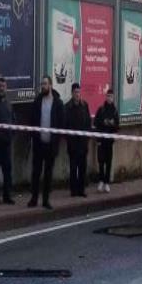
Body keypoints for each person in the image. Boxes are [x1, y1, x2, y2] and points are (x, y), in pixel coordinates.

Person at [28, 76, 64, 210]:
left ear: (51, 85)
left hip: (51, 145)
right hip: (39, 143)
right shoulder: (37, 101)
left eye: (45, 84)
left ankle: (46, 200)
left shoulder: (58, 103)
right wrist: (32, 137)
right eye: (41, 84)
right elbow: (32, 121)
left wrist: (57, 140)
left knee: (48, 174)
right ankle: (34, 198)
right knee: (36, 172)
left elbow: (61, 123)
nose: (43, 86)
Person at [65, 83, 91, 197]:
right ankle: (73, 190)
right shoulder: (67, 107)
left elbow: (88, 123)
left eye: (79, 92)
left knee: (82, 167)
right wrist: (69, 140)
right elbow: (64, 125)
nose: (77, 94)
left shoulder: (84, 105)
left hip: (83, 143)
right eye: (75, 92)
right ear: (72, 93)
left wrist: (87, 138)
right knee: (73, 167)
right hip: (72, 144)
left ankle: (81, 190)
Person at [94, 89, 119, 193]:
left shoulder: (115, 111)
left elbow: (117, 126)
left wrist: (113, 124)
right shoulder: (101, 109)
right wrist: (98, 139)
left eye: (111, 96)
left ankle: (106, 183)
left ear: (113, 98)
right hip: (101, 140)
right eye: (108, 96)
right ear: (106, 97)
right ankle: (101, 181)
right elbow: (96, 123)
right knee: (101, 162)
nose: (109, 98)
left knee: (108, 162)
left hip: (109, 141)